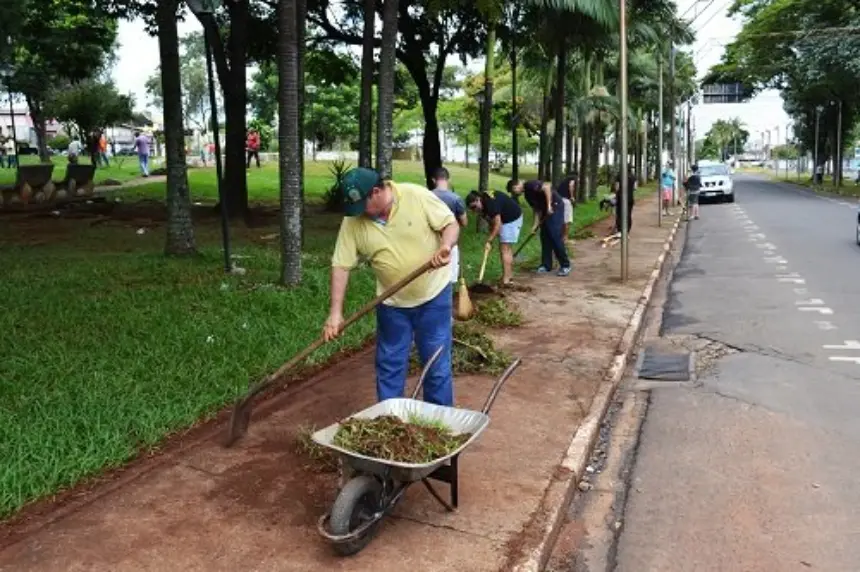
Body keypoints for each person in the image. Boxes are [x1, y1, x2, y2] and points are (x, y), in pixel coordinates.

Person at [323, 167, 459, 406]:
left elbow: (450, 224)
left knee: (435, 366)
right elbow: (341, 265)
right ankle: (391, 421)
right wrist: (335, 313)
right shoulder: (353, 221)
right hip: (392, 304)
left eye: (361, 206)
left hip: (433, 296)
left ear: (376, 192)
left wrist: (445, 246)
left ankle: (440, 425)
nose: (358, 214)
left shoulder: (415, 195)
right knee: (389, 365)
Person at [466, 188, 523, 285]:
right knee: (505, 249)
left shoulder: (490, 203)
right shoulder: (482, 206)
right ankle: (508, 277)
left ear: (478, 199)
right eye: (471, 209)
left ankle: (506, 280)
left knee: (505, 249)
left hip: (512, 218)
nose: (474, 210)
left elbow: (498, 224)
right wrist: (491, 237)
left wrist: (489, 240)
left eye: (474, 207)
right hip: (505, 219)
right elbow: (491, 223)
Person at [513, 179, 571, 276]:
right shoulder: (527, 195)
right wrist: (535, 225)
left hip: (555, 207)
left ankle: (565, 265)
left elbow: (547, 187)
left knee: (554, 235)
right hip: (545, 211)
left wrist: (549, 206)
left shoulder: (529, 184)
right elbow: (536, 210)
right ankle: (546, 265)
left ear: (518, 184)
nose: (515, 192)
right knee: (545, 236)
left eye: (514, 189)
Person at [430, 167, 468, 286]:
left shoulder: (427, 196)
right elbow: (464, 222)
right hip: (451, 242)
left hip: (431, 240)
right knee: (450, 275)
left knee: (433, 272)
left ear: (433, 180)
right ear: (448, 179)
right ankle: (448, 298)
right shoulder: (456, 199)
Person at [614, 167, 636, 234]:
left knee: (619, 214)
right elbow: (635, 188)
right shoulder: (633, 176)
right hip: (630, 198)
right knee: (628, 214)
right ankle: (627, 230)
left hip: (620, 198)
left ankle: (620, 230)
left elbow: (617, 188)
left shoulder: (619, 175)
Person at [557, 175, 576, 241]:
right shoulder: (572, 179)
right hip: (566, 201)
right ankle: (565, 238)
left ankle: (560, 237)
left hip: (559, 201)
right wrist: (572, 197)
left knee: (561, 219)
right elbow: (571, 186)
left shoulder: (563, 182)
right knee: (567, 220)